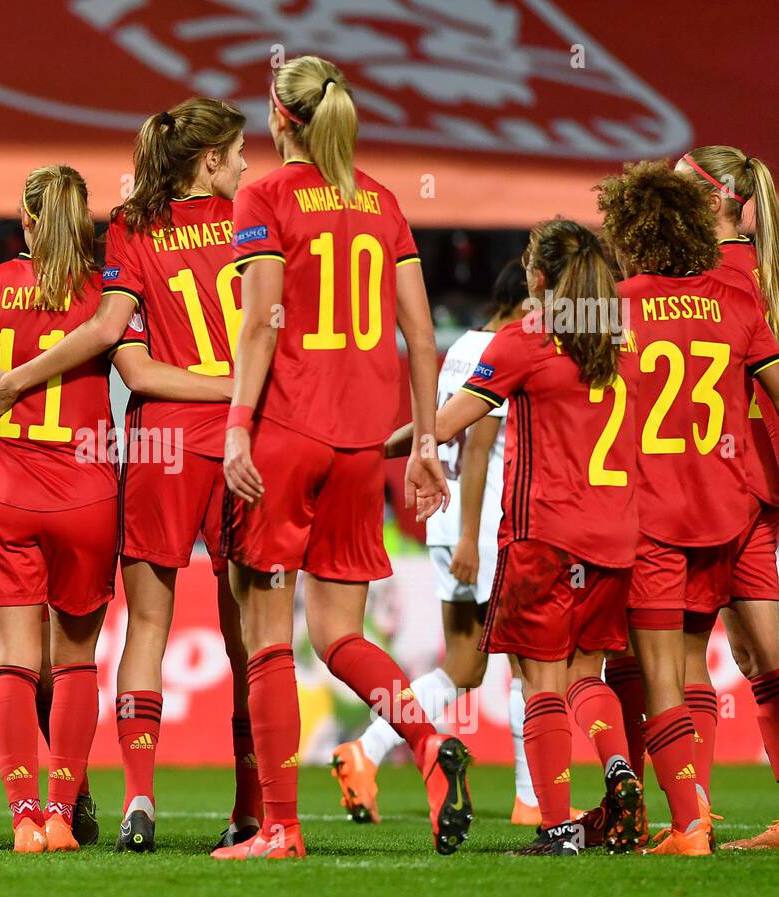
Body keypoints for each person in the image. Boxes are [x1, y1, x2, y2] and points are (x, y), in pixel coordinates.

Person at [0, 97, 255, 852]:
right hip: (242, 441)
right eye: (236, 153)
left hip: (159, 442)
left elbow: (127, 356)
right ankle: (254, 807)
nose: (247, 165)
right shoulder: (254, 217)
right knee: (250, 640)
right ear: (209, 161)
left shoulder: (134, 227)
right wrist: (244, 389)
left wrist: (7, 375)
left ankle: (134, 802)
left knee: (144, 629)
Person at [216, 55, 470, 860]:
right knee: (337, 635)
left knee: (266, 636)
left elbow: (260, 326)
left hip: (289, 432)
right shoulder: (383, 203)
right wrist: (426, 441)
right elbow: (424, 339)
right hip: (364, 445)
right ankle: (427, 742)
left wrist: (235, 426)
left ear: (276, 116)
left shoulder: (263, 196)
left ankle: (281, 827)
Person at [435, 220, 645, 855]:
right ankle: (617, 771)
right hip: (613, 538)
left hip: (542, 536)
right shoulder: (621, 342)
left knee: (539, 681)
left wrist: (375, 449)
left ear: (537, 276)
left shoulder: (523, 340)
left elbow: (448, 427)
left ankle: (556, 826)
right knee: (588, 675)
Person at [0, 164, 118, 853]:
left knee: (11, 663)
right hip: (88, 497)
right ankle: (65, 812)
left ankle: (26, 816)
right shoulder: (105, 292)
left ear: (26, 222)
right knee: (74, 665)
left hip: (3, 498)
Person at [597, 159, 779, 855]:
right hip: (732, 501)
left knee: (660, 667)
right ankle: (681, 810)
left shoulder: (617, 303)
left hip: (653, 509)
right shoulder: (738, 295)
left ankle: (682, 818)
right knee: (748, 653)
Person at [333, 260, 546, 825]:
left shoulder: (459, 348)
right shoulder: (503, 348)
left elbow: (435, 428)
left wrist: (377, 450)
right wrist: (476, 538)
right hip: (480, 527)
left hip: (444, 525)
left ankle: (366, 750)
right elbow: (478, 447)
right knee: (530, 664)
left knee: (463, 668)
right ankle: (531, 800)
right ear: (525, 304)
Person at [674, 146, 779, 851]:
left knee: (684, 653)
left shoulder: (711, 284)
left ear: (715, 199)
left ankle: (693, 816)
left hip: (723, 491)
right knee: (755, 655)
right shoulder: (757, 275)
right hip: (755, 484)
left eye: (681, 189)